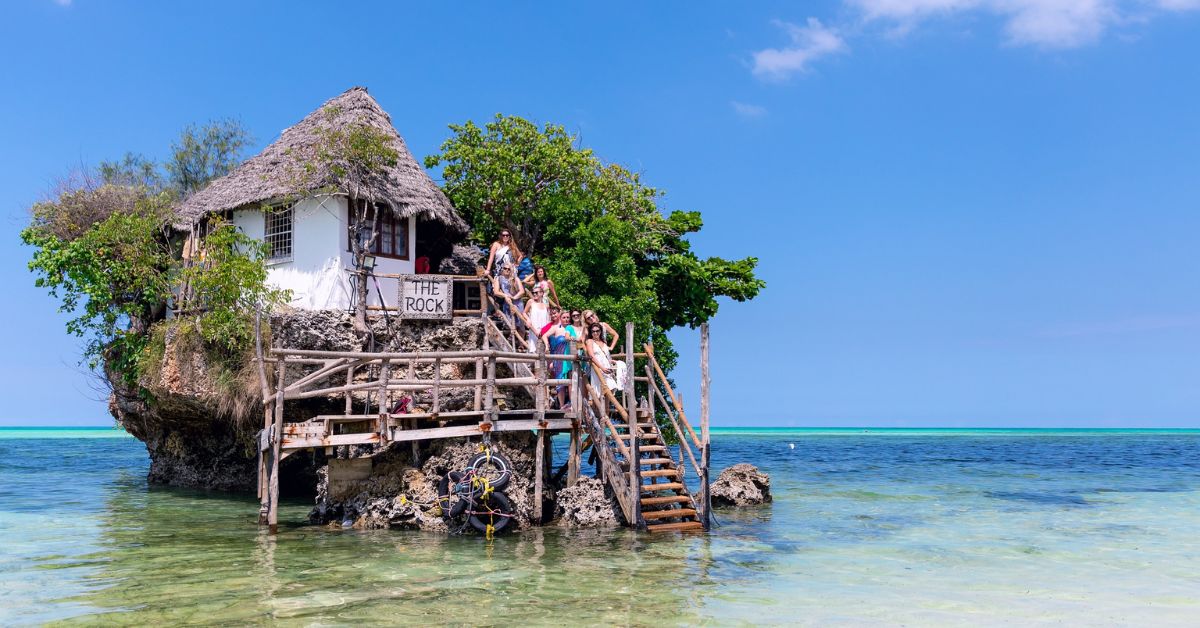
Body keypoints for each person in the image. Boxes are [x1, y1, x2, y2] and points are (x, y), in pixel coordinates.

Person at [547, 309, 579, 410]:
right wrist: (548, 347)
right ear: (560, 318)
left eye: (567, 317)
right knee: (560, 381)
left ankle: (571, 404)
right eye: (563, 317)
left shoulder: (572, 329)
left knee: (571, 380)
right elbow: (544, 335)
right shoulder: (556, 328)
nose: (566, 319)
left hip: (570, 357)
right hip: (559, 358)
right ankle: (561, 406)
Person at [585, 322, 626, 393]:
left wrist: (614, 362)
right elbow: (591, 356)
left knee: (610, 389)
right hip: (598, 368)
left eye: (597, 331)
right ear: (590, 332)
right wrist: (602, 368)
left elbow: (606, 356)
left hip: (607, 369)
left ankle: (606, 404)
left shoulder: (603, 342)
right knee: (600, 392)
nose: (595, 333)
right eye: (593, 331)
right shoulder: (589, 341)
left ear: (600, 331)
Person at [491, 263, 525, 330]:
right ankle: (513, 339)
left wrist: (514, 297)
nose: (507, 270)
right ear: (502, 269)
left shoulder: (516, 279)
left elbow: (522, 291)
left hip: (517, 303)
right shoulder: (499, 278)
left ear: (511, 270)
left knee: (520, 325)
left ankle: (519, 340)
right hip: (507, 303)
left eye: (509, 269)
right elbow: (496, 292)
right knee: (510, 325)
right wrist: (505, 295)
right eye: (505, 268)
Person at [524, 284, 551, 352]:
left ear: (542, 293)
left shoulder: (546, 305)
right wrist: (528, 319)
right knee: (534, 350)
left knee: (543, 351)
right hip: (534, 329)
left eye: (536, 292)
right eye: (533, 293)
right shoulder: (531, 302)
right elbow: (524, 313)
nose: (534, 294)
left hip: (543, 331)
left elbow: (548, 319)